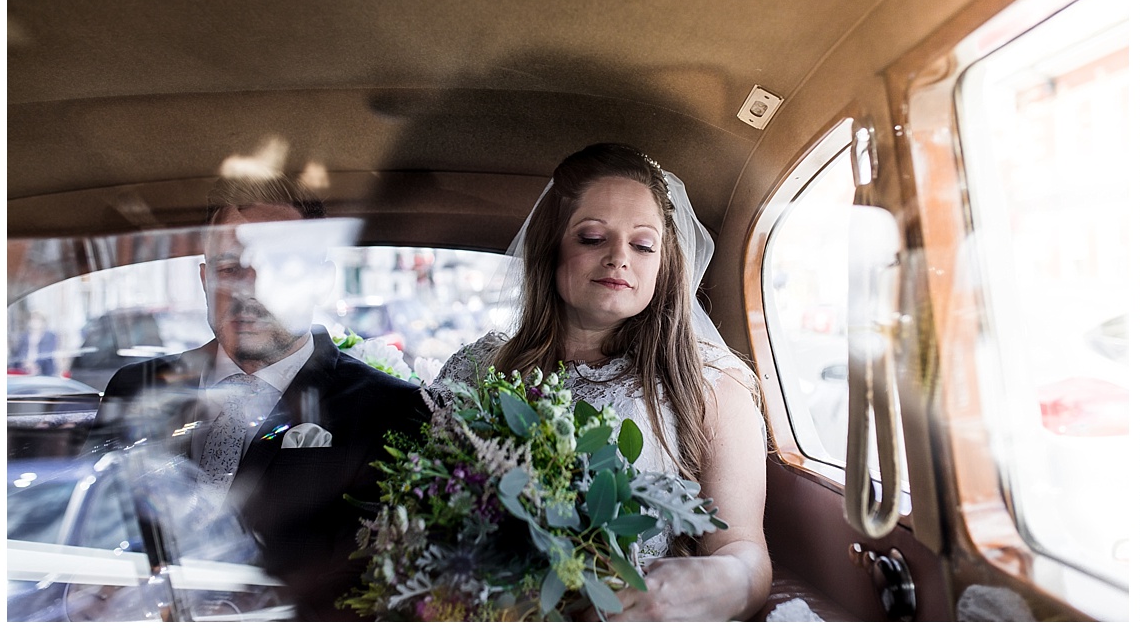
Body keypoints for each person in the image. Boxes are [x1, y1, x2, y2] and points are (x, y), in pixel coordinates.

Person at [436, 143, 775, 621]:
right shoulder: (476, 370)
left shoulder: (712, 386)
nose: (619, 257)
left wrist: (723, 581)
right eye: (593, 237)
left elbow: (743, 550)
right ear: (552, 248)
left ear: (664, 264)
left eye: (642, 245)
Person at [93, 175, 431, 621]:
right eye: (230, 269)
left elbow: (370, 593)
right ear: (205, 278)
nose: (249, 289)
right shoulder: (136, 389)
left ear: (320, 281)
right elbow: (88, 539)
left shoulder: (389, 410)